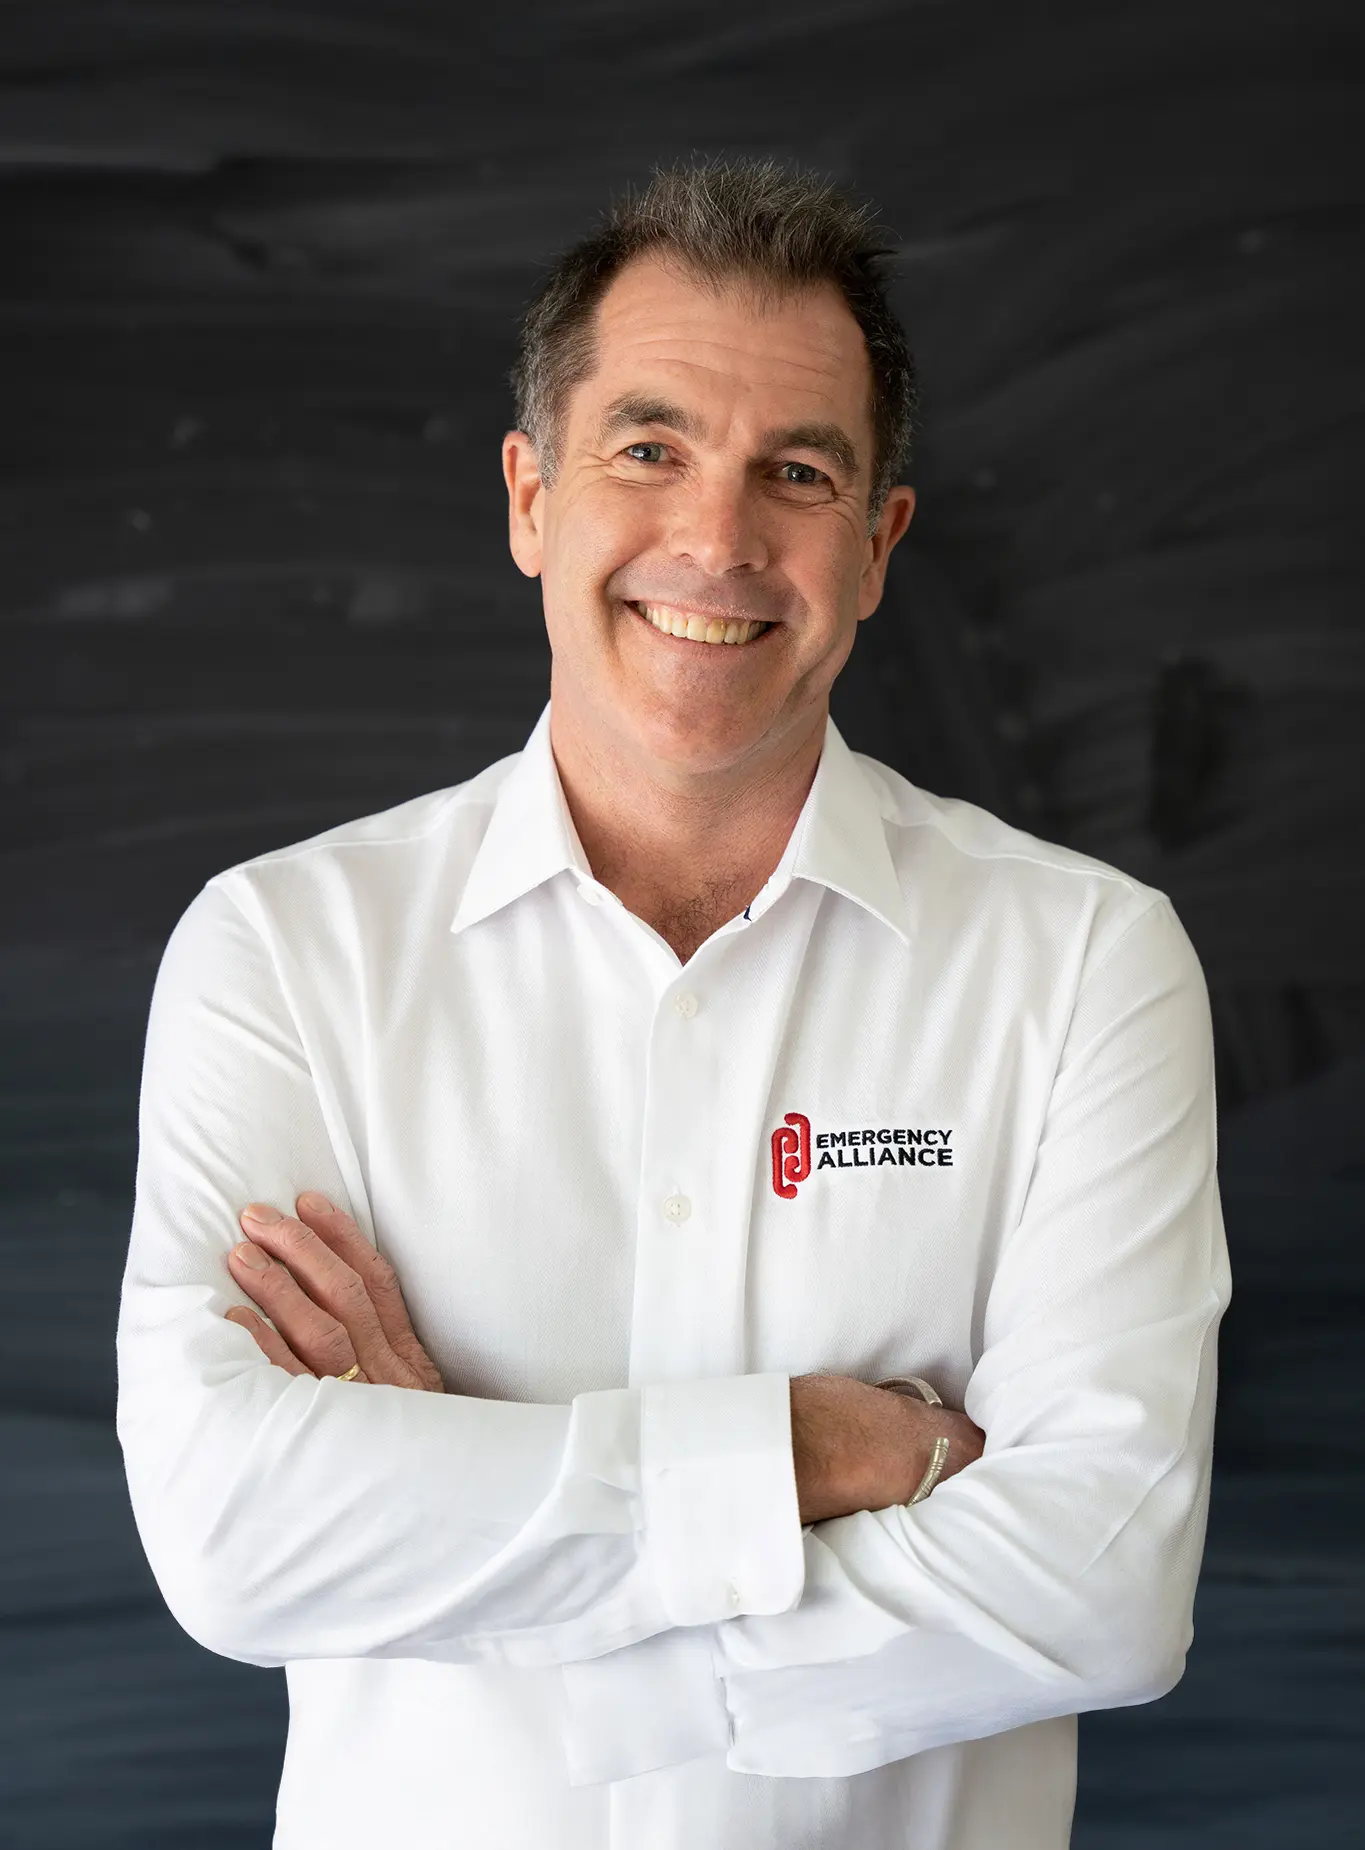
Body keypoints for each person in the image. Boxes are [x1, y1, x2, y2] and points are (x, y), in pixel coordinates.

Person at [115, 156, 1231, 1850]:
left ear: (878, 547)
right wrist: (812, 1450)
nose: (718, 539)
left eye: (798, 470)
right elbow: (232, 1536)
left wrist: (489, 1542)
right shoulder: (283, 951)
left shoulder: (1086, 963)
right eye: (649, 448)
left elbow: (1108, 1583)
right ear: (530, 499)